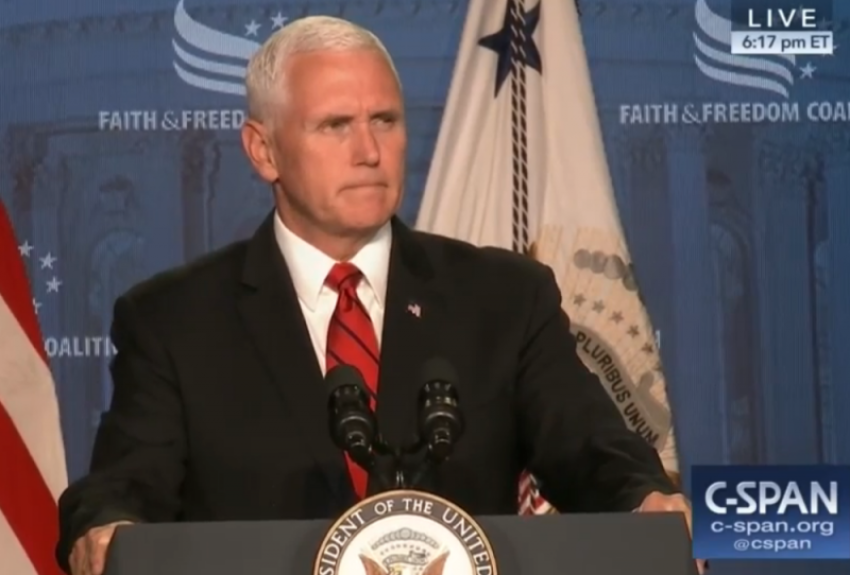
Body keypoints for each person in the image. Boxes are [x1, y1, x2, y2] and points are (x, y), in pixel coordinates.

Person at [55, 15, 702, 575]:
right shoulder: (174, 319)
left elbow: (591, 447)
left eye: (385, 121)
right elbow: (123, 484)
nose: (369, 151)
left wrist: (645, 499)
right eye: (335, 125)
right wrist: (107, 527)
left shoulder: (504, 298)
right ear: (263, 150)